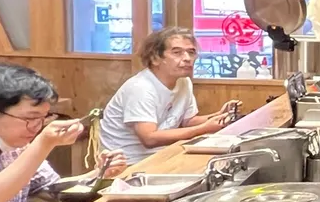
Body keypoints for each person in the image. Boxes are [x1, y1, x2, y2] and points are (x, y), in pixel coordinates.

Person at [0, 63, 125, 202]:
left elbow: (51, 189)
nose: (37, 126)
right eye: (30, 118)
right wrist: (43, 144)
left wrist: (98, 174)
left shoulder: (16, 143)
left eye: (43, 118)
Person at [100, 28, 239, 164]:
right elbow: (149, 138)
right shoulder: (141, 87)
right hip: (127, 164)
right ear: (155, 58)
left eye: (191, 52)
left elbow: (188, 121)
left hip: (162, 154)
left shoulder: (184, 81)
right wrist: (203, 129)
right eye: (177, 53)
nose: (187, 58)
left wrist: (219, 115)